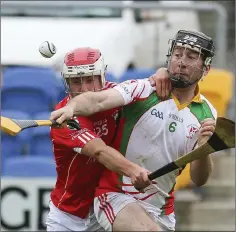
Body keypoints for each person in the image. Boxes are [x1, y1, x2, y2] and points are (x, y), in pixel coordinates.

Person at [50, 30, 217, 231]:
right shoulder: (143, 89)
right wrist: (71, 108)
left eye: (191, 57)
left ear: (206, 69)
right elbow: (98, 103)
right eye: (177, 54)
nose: (181, 62)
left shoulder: (208, 114)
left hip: (161, 209)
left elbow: (199, 180)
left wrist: (204, 148)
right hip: (109, 199)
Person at [46, 47, 158, 231]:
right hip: (68, 217)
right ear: (66, 83)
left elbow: (147, 85)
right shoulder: (65, 119)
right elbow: (99, 151)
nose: (84, 89)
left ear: (102, 76)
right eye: (75, 82)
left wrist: (160, 74)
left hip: (109, 206)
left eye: (90, 80)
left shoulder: (117, 95)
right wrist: (132, 170)